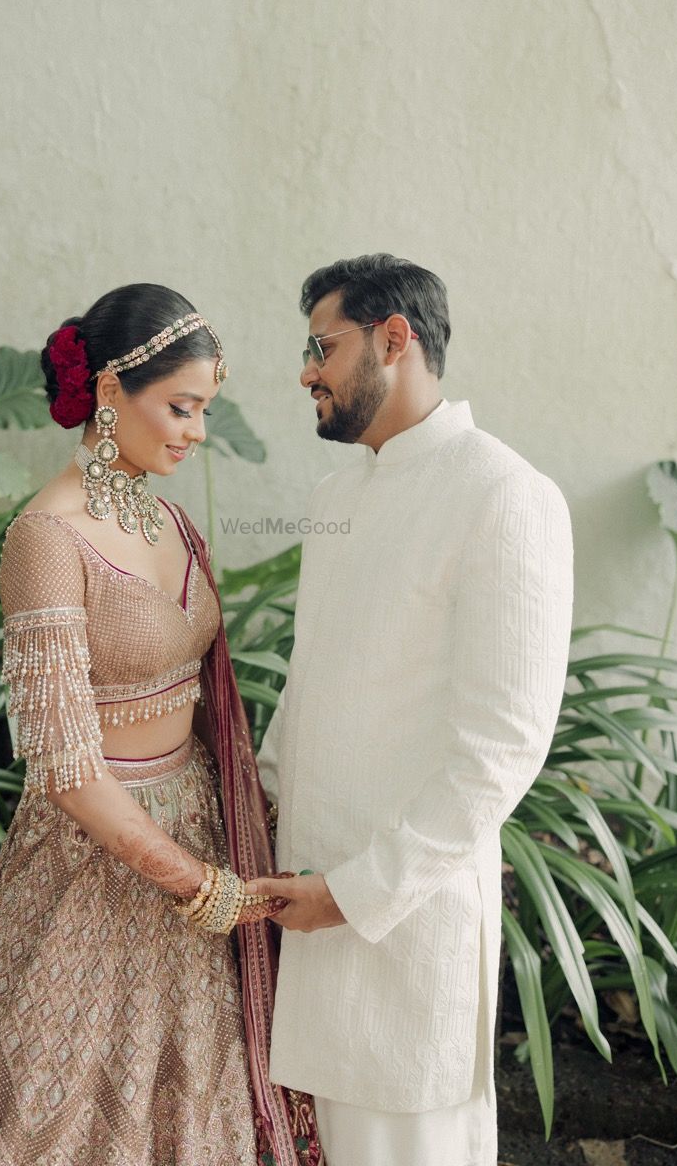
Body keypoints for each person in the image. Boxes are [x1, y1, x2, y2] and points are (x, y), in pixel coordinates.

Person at [0, 284, 323, 1166]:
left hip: (200, 822)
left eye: (205, 410)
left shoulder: (172, 521)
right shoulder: (46, 538)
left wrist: (230, 849)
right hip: (96, 859)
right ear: (112, 390)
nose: (196, 432)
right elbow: (65, 765)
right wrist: (199, 885)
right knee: (39, 1114)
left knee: (196, 1103)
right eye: (181, 407)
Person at [246, 255, 574, 1166]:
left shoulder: (505, 496)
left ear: (397, 339)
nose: (305, 370)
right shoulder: (335, 495)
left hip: (399, 920)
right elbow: (311, 689)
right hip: (301, 904)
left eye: (323, 345)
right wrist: (251, 817)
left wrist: (351, 896)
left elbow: (501, 751)